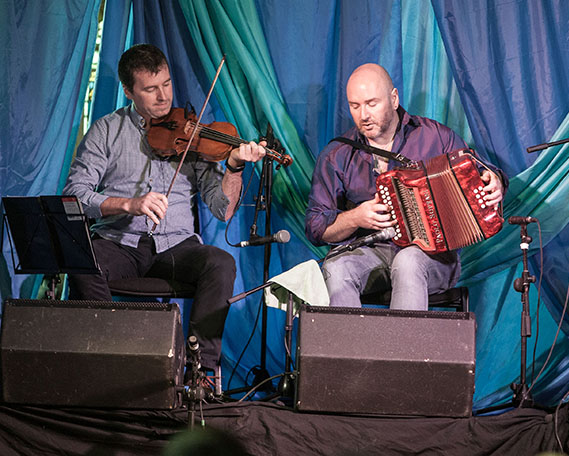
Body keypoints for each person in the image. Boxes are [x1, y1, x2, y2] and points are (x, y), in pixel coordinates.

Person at [64, 44, 266, 371]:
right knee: (81, 260)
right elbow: (74, 195)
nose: (163, 97)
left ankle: (201, 371)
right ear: (128, 91)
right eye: (150, 89)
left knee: (221, 263)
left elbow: (222, 209)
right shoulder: (106, 130)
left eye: (167, 84)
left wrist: (234, 167)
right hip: (119, 244)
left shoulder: (195, 132)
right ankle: (110, 359)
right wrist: (130, 204)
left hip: (176, 247)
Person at [306, 63, 506, 310]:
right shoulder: (337, 154)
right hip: (372, 252)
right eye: (355, 106)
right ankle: (352, 349)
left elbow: (480, 172)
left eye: (372, 103)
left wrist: (493, 180)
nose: (364, 115)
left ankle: (402, 350)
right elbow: (316, 229)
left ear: (394, 98)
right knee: (335, 268)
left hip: (433, 257)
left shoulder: (435, 137)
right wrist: (356, 218)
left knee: (408, 260)